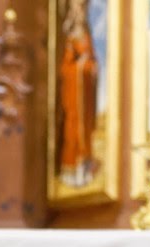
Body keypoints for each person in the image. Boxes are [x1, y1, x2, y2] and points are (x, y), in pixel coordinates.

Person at [55, 0, 98, 189]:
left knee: (85, 128)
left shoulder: (86, 34)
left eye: (83, 7)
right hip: (74, 93)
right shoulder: (71, 36)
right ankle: (72, 169)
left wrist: (92, 67)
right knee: (74, 128)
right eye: (77, 7)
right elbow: (66, 68)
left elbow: (92, 59)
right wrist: (81, 67)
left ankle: (85, 166)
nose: (81, 11)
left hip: (86, 92)